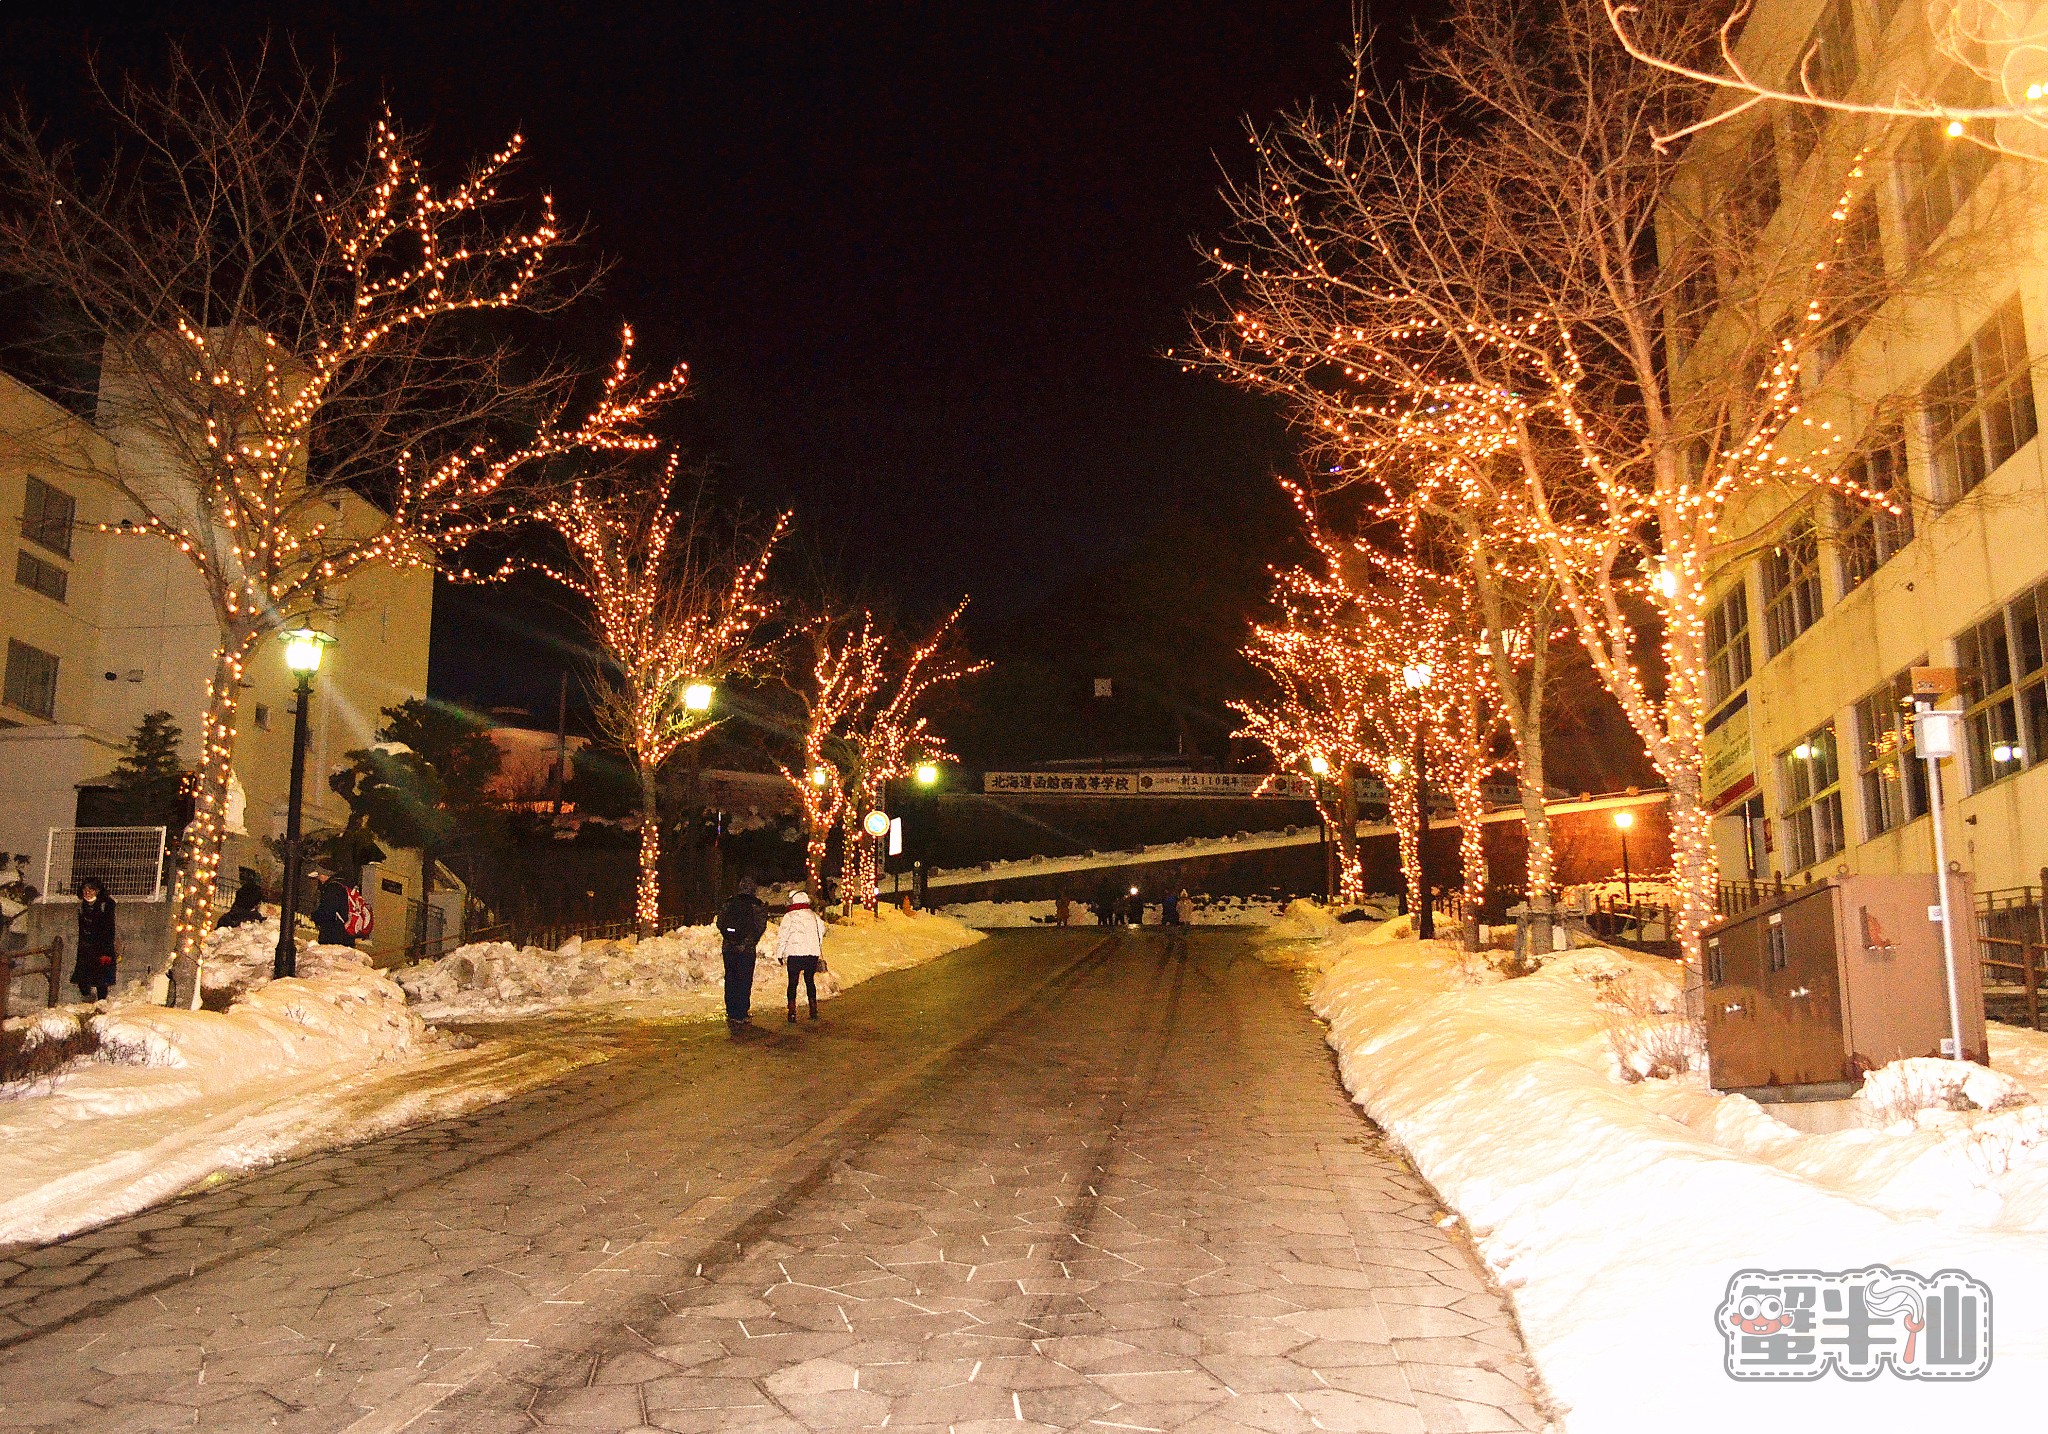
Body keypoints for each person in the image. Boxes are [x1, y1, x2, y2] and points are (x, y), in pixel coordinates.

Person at [715, 876, 769, 1028]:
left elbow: (720, 923)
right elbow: (760, 926)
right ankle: (741, 1012)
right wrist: (749, 941)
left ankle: (731, 1011)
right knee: (744, 979)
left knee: (731, 978)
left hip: (728, 948)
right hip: (746, 950)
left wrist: (731, 938)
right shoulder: (756, 905)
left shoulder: (729, 903)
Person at [774, 888, 828, 1023]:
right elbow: (821, 932)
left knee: (793, 983)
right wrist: (816, 947)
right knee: (810, 980)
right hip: (811, 954)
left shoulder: (789, 916)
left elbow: (783, 936)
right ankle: (813, 1008)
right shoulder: (814, 916)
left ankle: (792, 1011)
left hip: (794, 954)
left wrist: (780, 953)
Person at [71, 876, 117, 1001]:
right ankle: (88, 1000)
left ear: (97, 891)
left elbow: (109, 929)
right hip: (85, 949)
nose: (87, 893)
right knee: (83, 980)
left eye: (91, 890)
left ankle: (101, 1003)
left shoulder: (105, 905)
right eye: (85, 890)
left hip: (101, 948)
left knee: (101, 980)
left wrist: (106, 951)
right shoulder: (82, 906)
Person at [310, 864, 355, 947]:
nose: (319, 878)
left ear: (325, 874)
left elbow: (328, 912)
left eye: (319, 875)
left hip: (334, 936)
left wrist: (314, 916)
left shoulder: (333, 888)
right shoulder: (344, 885)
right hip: (346, 934)